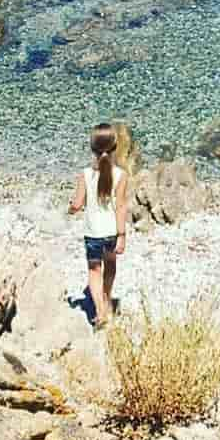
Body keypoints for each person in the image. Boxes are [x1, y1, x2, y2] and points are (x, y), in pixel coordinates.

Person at [68, 122, 129, 329]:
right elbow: (121, 207)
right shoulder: (121, 175)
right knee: (110, 268)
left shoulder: (85, 174)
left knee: (94, 271)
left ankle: (100, 311)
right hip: (111, 233)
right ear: (115, 148)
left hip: (92, 234)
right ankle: (107, 298)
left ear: (92, 148)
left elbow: (77, 204)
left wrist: (71, 209)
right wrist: (122, 235)